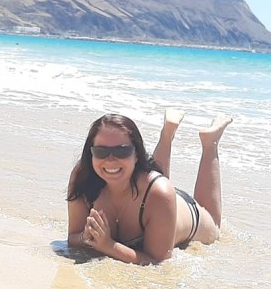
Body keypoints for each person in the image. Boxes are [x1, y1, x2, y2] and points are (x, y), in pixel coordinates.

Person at [67, 110, 232, 265]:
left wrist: (108, 246)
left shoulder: (159, 192)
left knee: (214, 228)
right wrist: (85, 238)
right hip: (154, 198)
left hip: (184, 211)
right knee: (155, 185)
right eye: (101, 151)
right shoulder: (83, 177)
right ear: (91, 153)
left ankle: (210, 143)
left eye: (122, 151)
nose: (110, 160)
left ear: (137, 154)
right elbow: (73, 237)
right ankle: (167, 134)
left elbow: (159, 260)